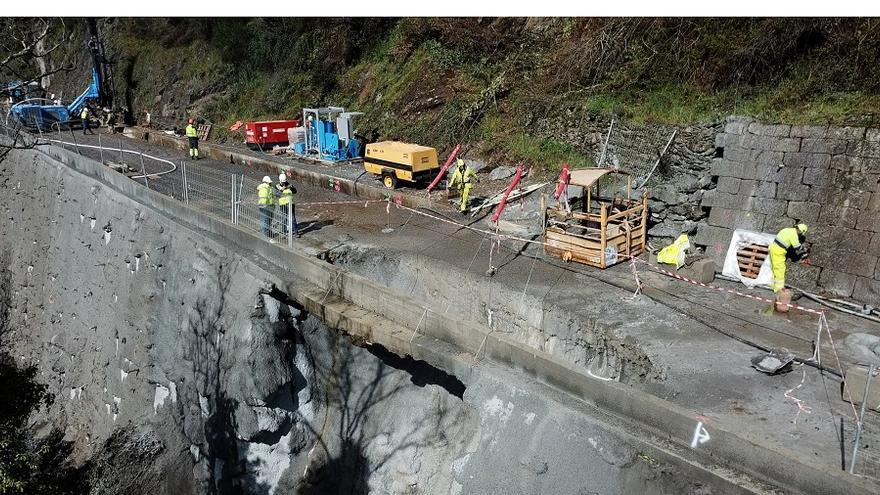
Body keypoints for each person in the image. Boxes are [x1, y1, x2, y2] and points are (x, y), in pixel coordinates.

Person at [769, 223, 809, 294]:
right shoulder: (794, 235)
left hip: (773, 248)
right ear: (802, 231)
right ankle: (779, 290)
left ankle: (773, 286)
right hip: (779, 251)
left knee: (774, 268)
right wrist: (804, 250)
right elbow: (797, 247)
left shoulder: (786, 229)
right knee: (780, 269)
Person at [276, 174, 299, 238]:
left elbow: (295, 191)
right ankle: (285, 232)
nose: (283, 183)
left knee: (291, 218)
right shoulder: (277, 186)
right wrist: (281, 190)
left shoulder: (289, 185)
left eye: (284, 182)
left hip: (289, 203)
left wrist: (291, 187)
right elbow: (276, 194)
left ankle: (295, 232)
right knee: (284, 218)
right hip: (285, 204)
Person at [257, 176, 276, 241]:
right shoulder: (267, 188)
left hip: (263, 205)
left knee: (265, 220)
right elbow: (269, 197)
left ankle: (267, 233)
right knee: (266, 220)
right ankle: (265, 235)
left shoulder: (262, 187)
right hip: (267, 206)